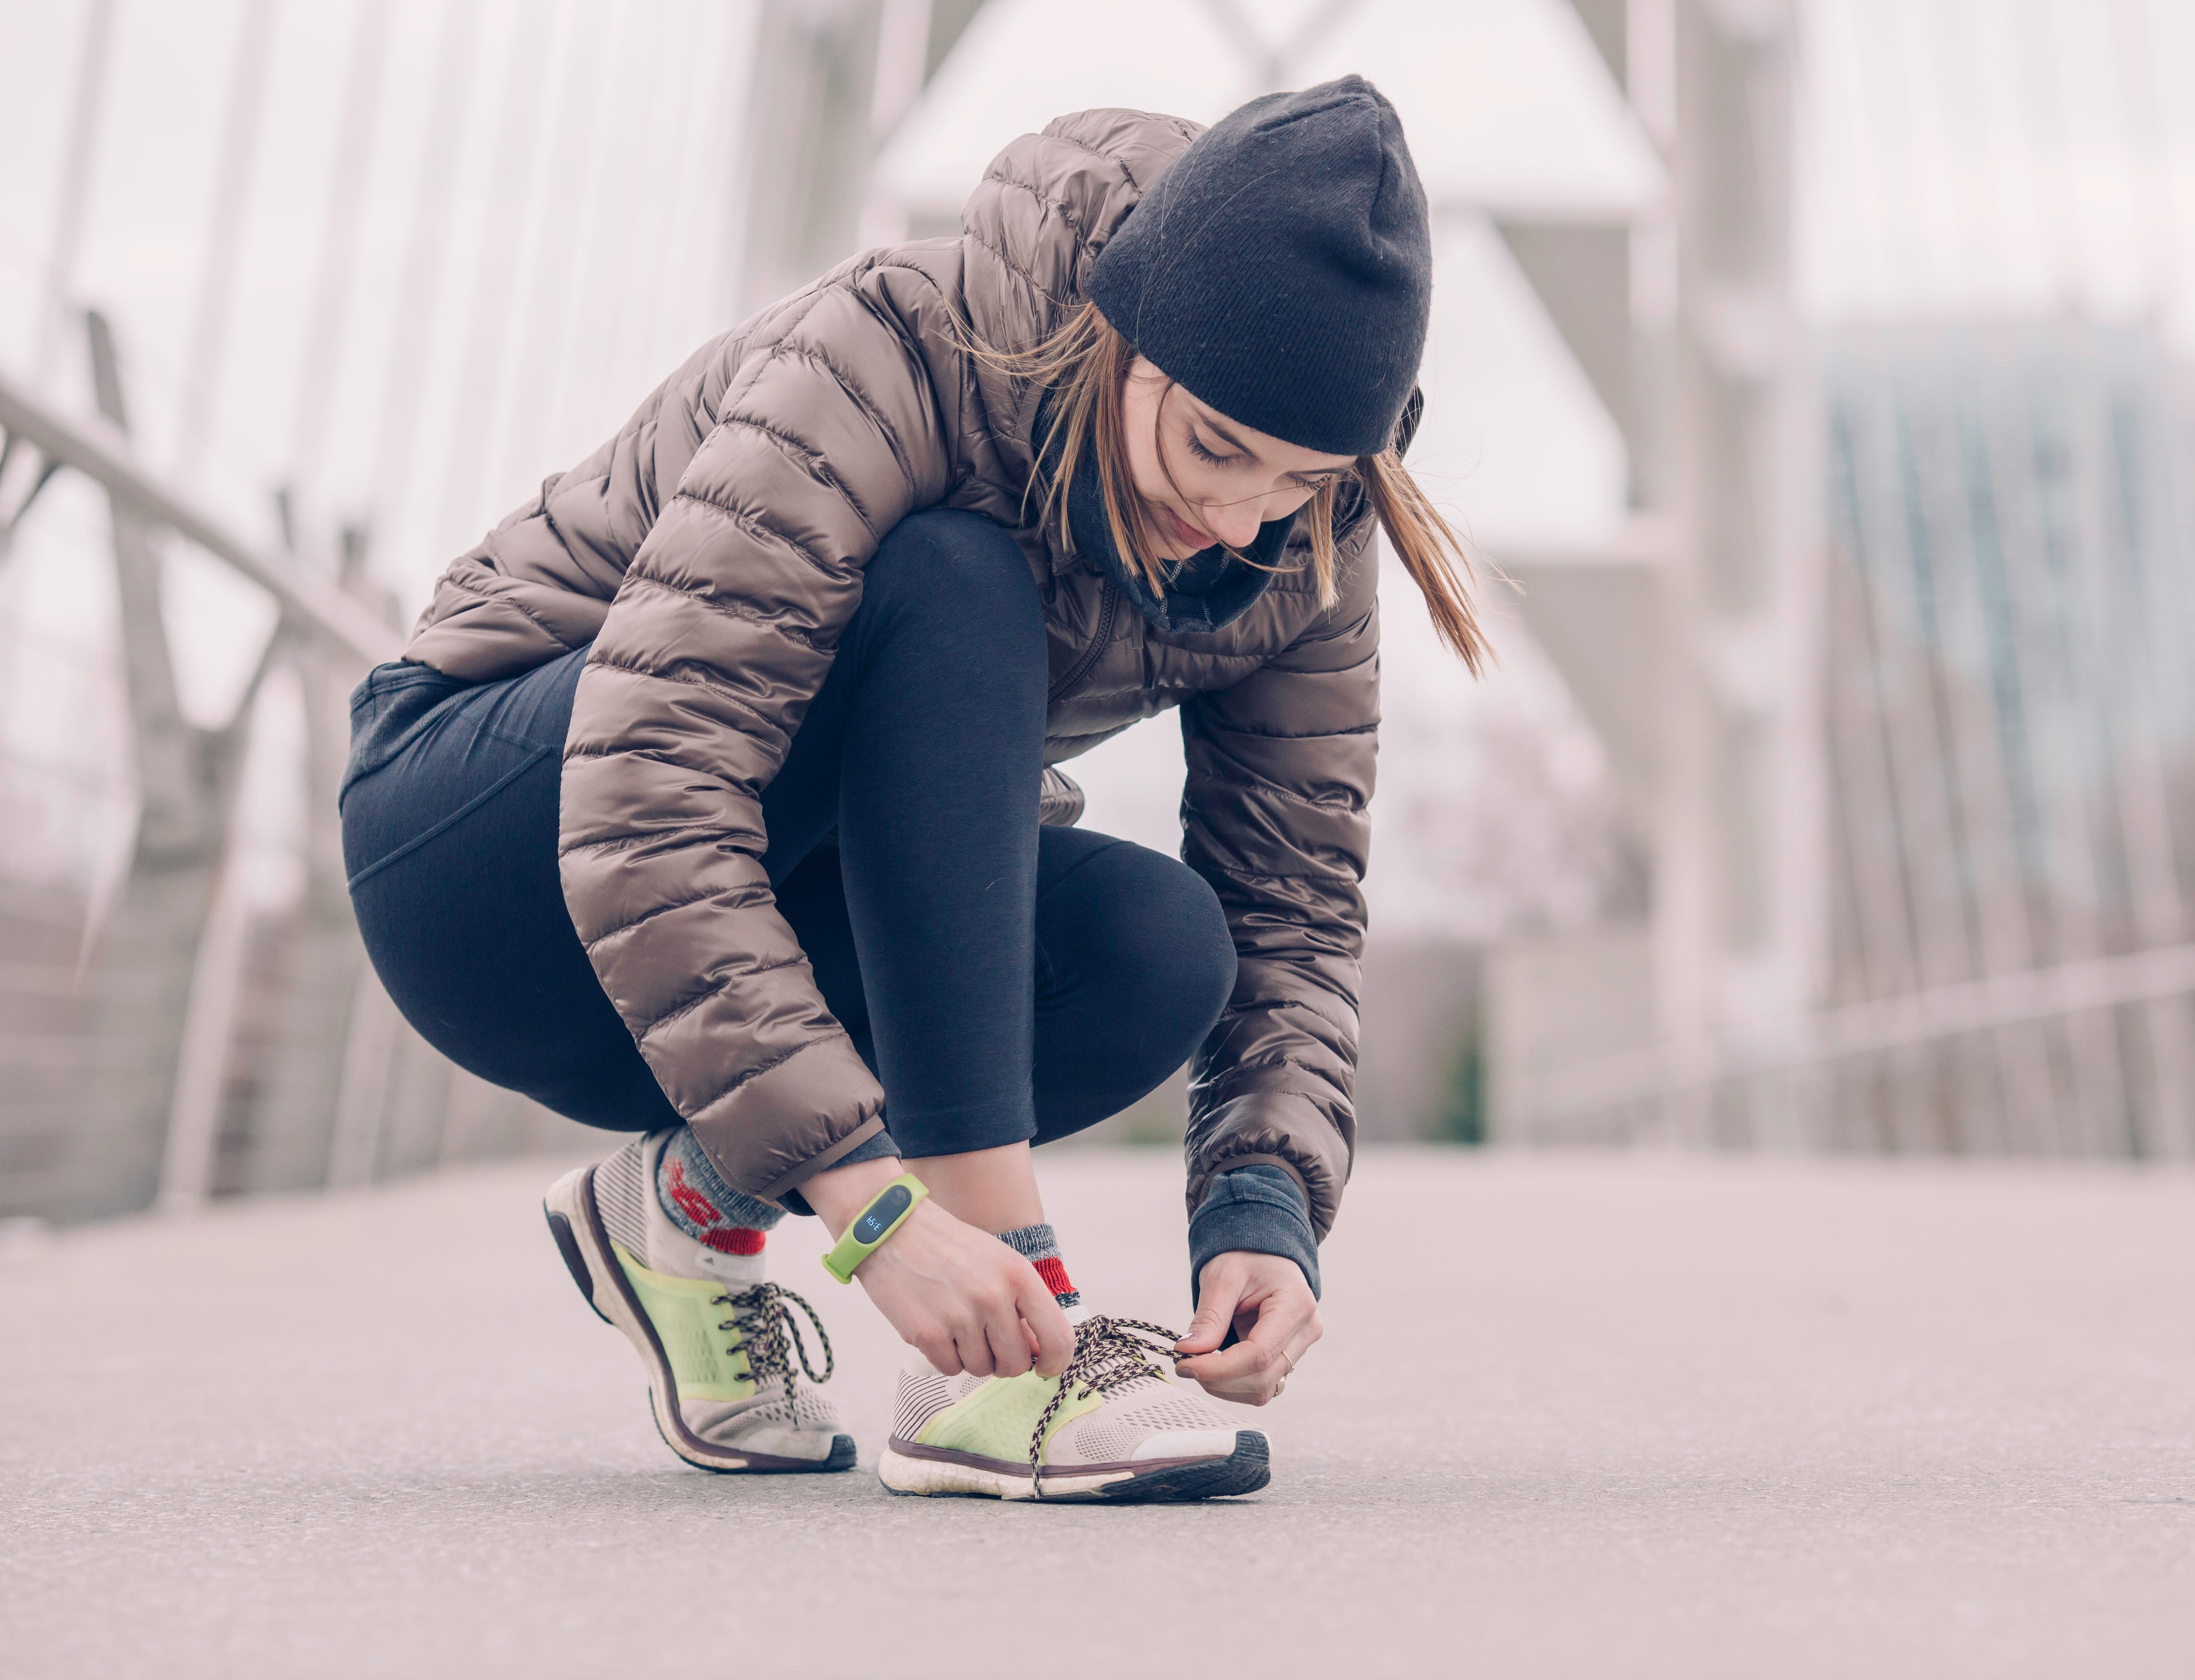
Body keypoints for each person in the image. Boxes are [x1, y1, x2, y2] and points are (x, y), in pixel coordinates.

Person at [340, 76, 1484, 1502]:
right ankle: (1001, 1345)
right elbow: (651, 789)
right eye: (1213, 446)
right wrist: (873, 1209)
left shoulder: (1302, 540)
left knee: (1155, 950)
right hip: (483, 863)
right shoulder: (892, 355)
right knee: (952, 576)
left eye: (1304, 478)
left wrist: (1265, 1206)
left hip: (732, 931)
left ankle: (685, 1201)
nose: (1240, 513)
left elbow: (1291, 901)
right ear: (1123, 335)